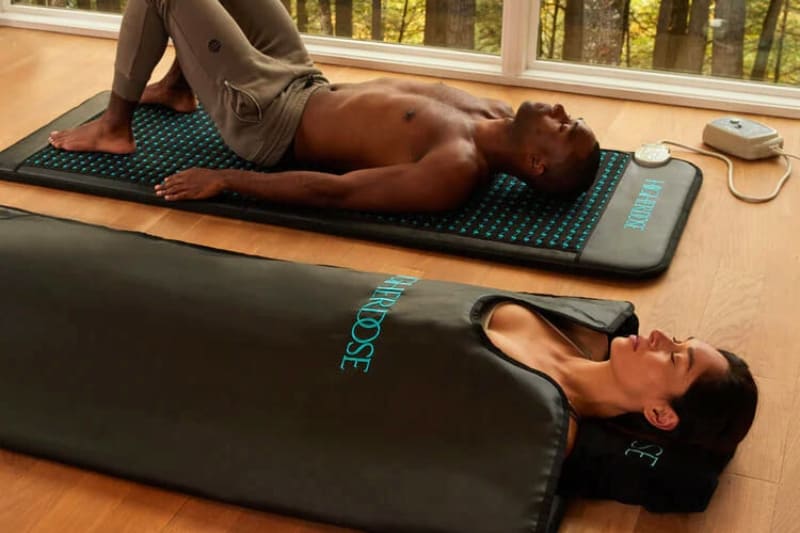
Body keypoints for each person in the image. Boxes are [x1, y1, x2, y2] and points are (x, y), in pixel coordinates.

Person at [47, 0, 601, 213]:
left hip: (266, 118)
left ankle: (114, 127)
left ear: (536, 164)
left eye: (564, 127)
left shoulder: (455, 168)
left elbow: (336, 190)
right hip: (302, 77)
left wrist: (226, 179)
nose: (559, 110)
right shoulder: (490, 111)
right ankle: (178, 86)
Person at [481, 300, 758, 458]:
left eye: (674, 358)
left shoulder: (551, 429)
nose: (658, 335)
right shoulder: (587, 330)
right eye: (677, 341)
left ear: (660, 414)